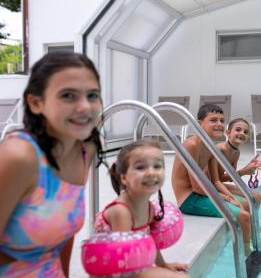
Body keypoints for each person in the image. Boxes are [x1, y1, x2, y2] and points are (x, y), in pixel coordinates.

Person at [0, 52, 104, 277]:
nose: (85, 107)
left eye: (93, 95)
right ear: (36, 103)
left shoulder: (84, 149)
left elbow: (63, 229)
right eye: (68, 95)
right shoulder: (20, 157)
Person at [95, 139, 189, 278]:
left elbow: (150, 239)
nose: (151, 172)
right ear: (124, 178)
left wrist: (162, 265)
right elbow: (122, 261)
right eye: (140, 167)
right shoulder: (121, 212)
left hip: (134, 265)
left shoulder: (149, 207)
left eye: (157, 166)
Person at [171, 104, 253, 256]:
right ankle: (247, 254)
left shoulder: (210, 146)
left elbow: (215, 181)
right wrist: (227, 197)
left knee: (246, 204)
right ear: (199, 123)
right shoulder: (192, 144)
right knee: (243, 215)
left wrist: (228, 197)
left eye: (222, 121)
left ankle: (247, 242)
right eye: (213, 120)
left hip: (202, 193)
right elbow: (196, 187)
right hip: (189, 200)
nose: (219, 124)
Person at [214, 118, 261, 211]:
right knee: (245, 204)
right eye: (238, 130)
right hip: (206, 186)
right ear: (228, 132)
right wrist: (242, 171)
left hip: (216, 184)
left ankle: (253, 224)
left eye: (246, 132)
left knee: (256, 196)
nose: (242, 133)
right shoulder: (219, 150)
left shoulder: (236, 153)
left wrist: (247, 168)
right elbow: (212, 179)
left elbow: (230, 178)